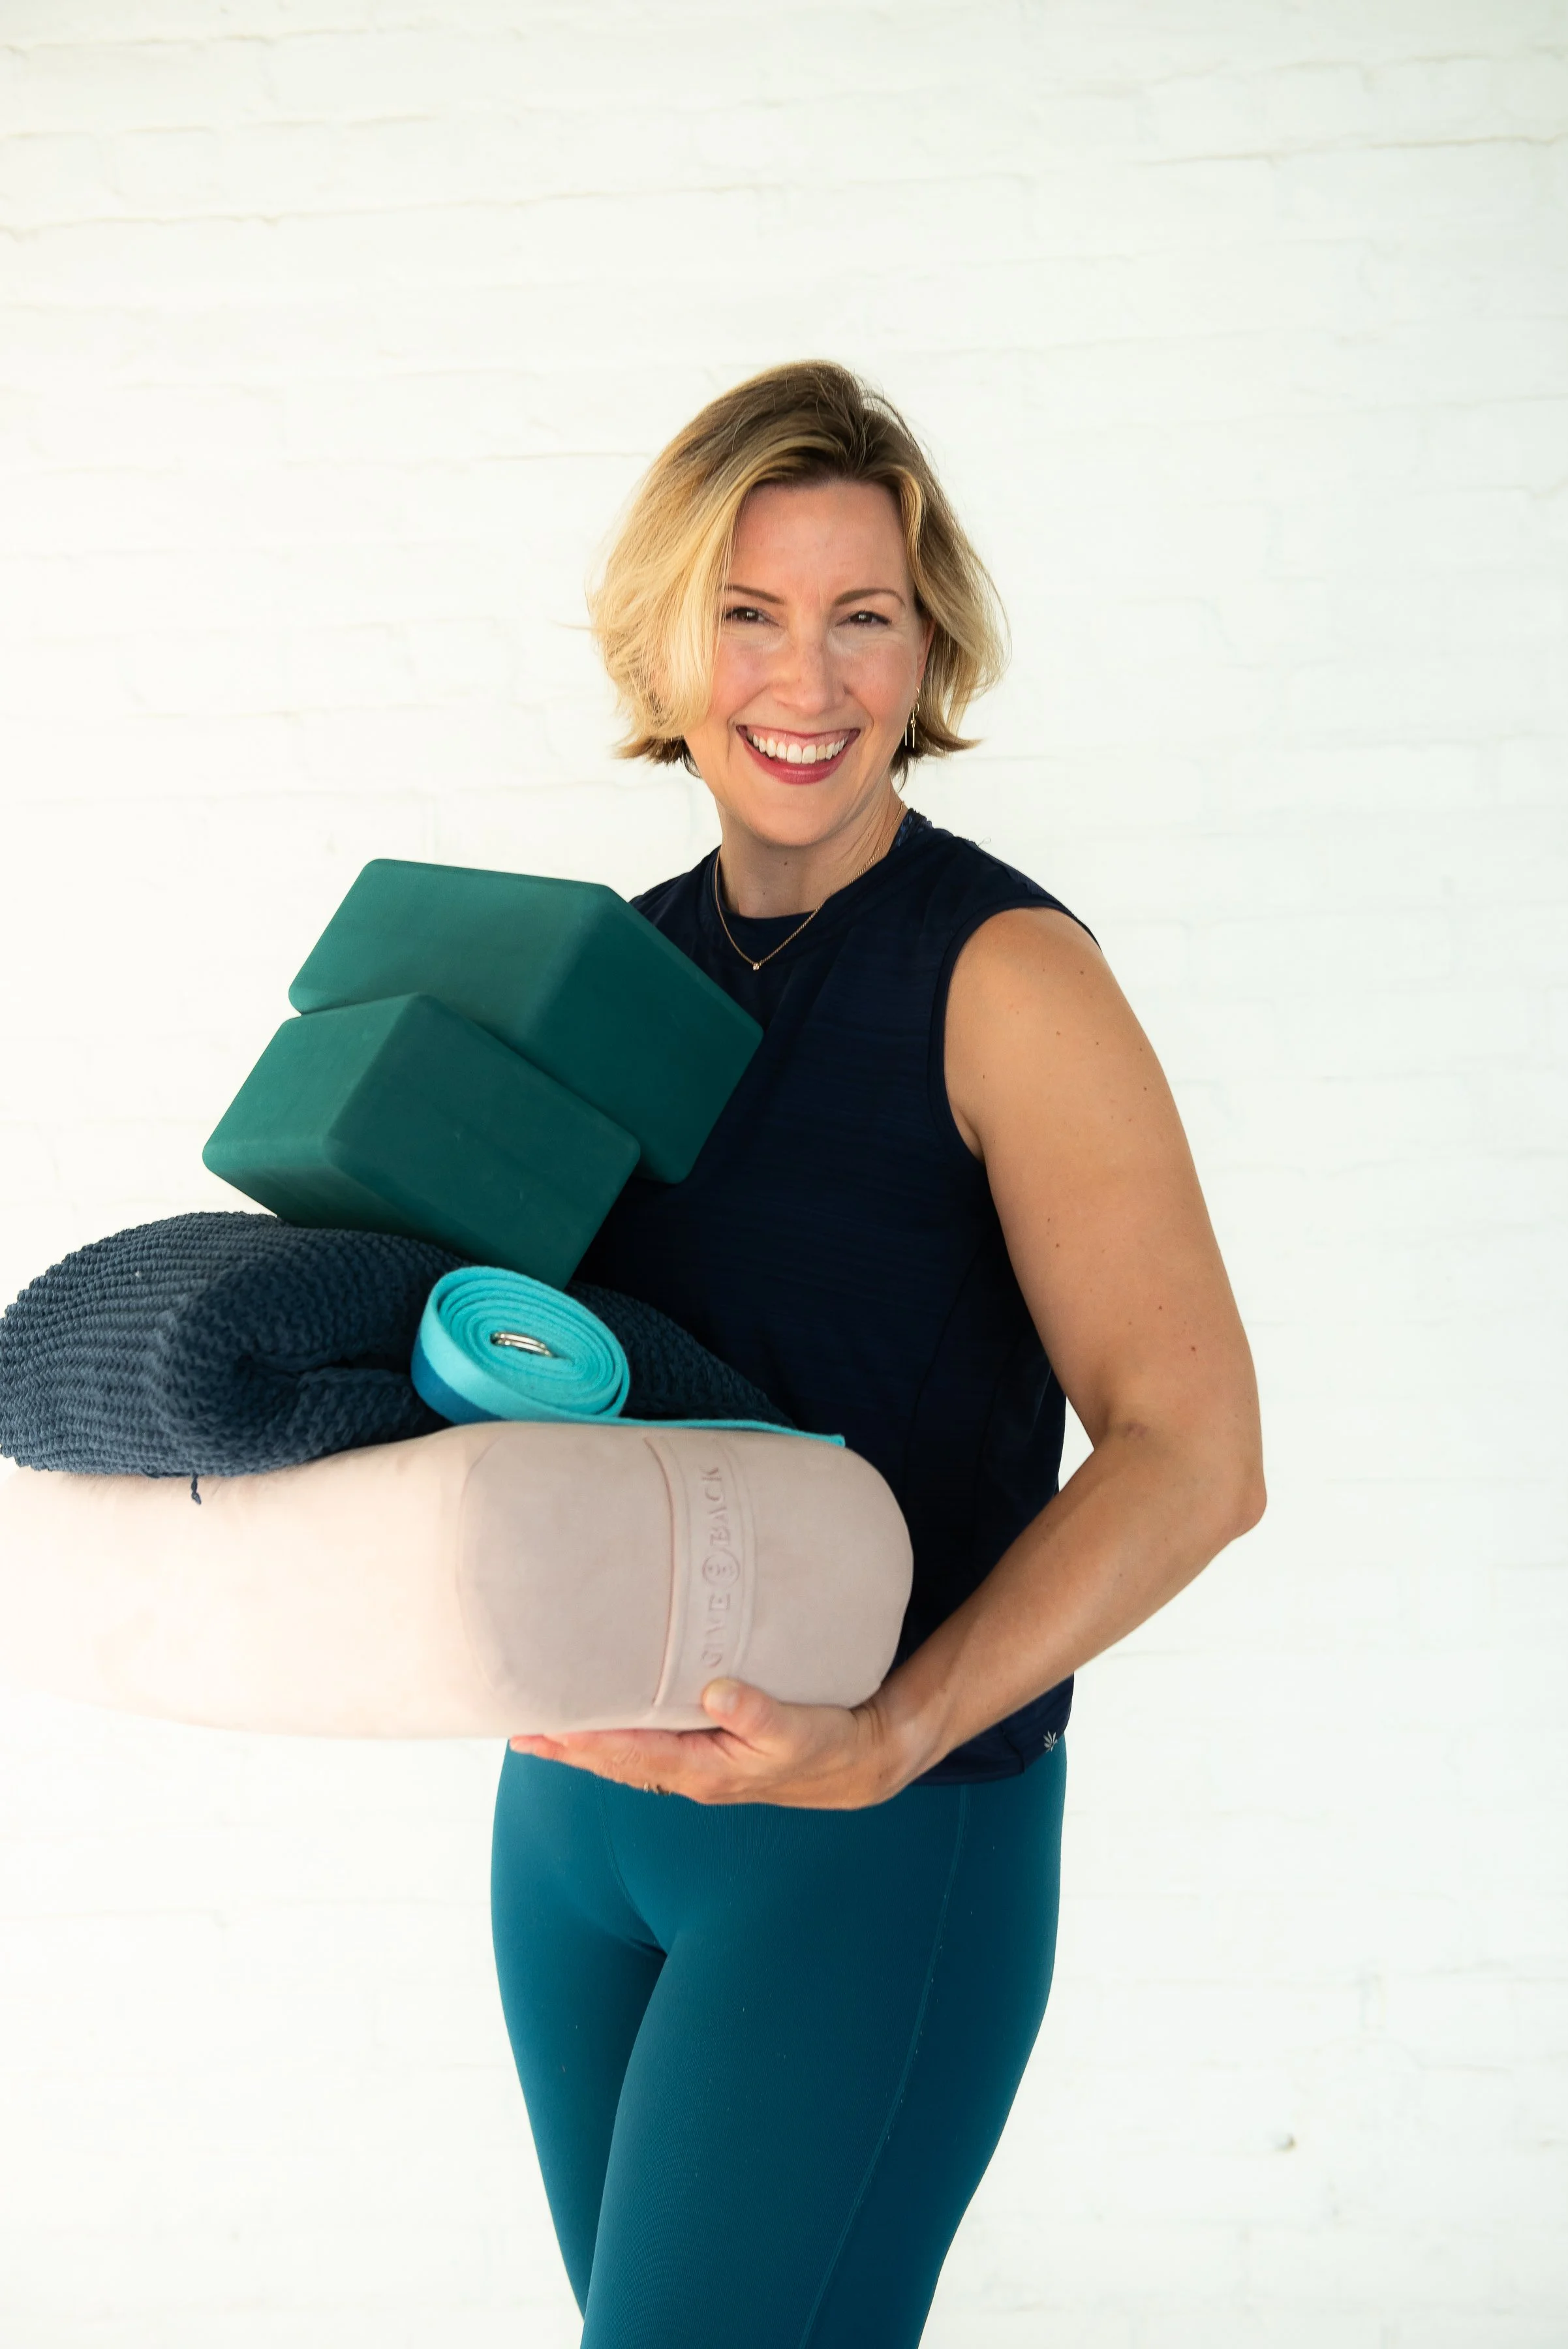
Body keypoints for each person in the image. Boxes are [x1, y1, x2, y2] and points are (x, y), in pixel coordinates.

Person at [489, 361, 1265, 2347]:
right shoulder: (607, 976)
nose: (805, 677)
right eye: (748, 610)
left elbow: (1195, 1450)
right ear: (668, 638)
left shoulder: (1006, 977)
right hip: (577, 1833)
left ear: (929, 652)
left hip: (866, 1837)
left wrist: (901, 1732)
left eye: (864, 615)